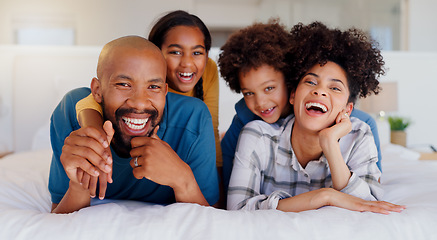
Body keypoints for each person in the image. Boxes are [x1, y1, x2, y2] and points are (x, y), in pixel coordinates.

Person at [227, 22, 405, 214]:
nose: (319, 91)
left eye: (334, 87)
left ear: (348, 109)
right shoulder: (254, 131)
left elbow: (370, 204)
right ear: (293, 95)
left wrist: (330, 144)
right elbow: (237, 208)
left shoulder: (360, 132)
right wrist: (324, 196)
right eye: (310, 82)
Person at [49, 36, 219, 214]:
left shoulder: (194, 119)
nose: (139, 103)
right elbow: (59, 219)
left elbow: (214, 219)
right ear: (97, 91)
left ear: (165, 91)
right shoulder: (72, 113)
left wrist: (182, 179)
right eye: (124, 84)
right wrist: (78, 186)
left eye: (153, 87)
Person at [74, 10, 223, 200]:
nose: (187, 62)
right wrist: (94, 131)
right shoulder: (135, 74)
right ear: (154, 52)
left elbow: (212, 125)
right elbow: (85, 98)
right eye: (175, 52)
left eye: (197, 52)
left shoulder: (204, 80)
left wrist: (218, 186)